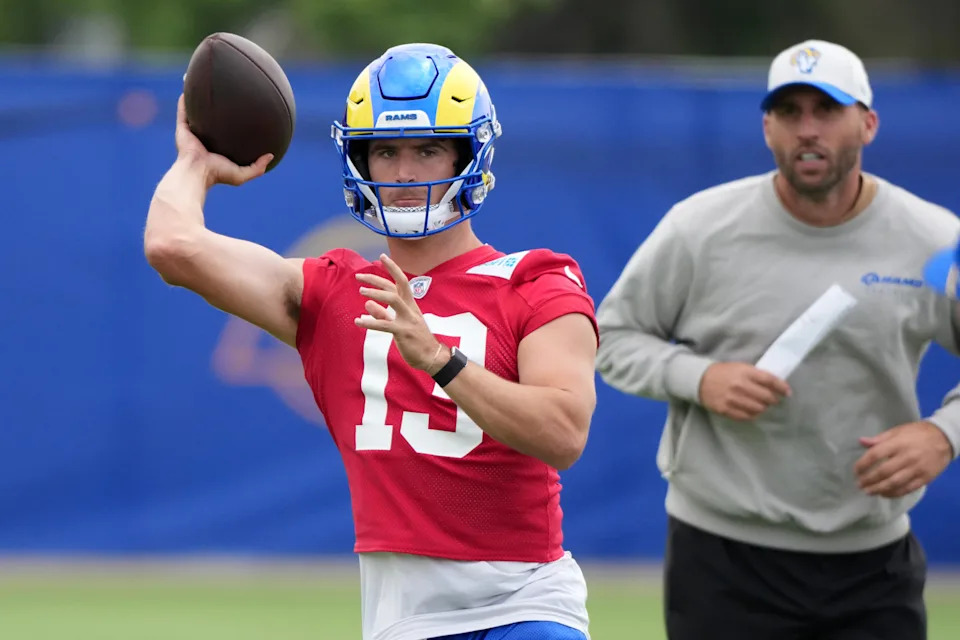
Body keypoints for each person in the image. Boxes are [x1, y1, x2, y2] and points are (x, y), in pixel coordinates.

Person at [144, 43, 598, 640]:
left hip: (525, 608)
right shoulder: (333, 290)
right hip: (401, 620)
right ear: (359, 160)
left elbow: (564, 434)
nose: (405, 173)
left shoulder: (535, 282)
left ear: (471, 153)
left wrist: (438, 359)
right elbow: (173, 247)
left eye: (428, 148)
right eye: (385, 151)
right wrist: (195, 164)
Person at [595, 39, 960, 640]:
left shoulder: (931, 240)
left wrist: (942, 436)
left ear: (868, 123)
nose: (807, 130)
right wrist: (700, 378)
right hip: (722, 559)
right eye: (789, 113)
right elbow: (610, 337)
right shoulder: (700, 229)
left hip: (872, 564)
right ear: (767, 127)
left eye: (827, 110)